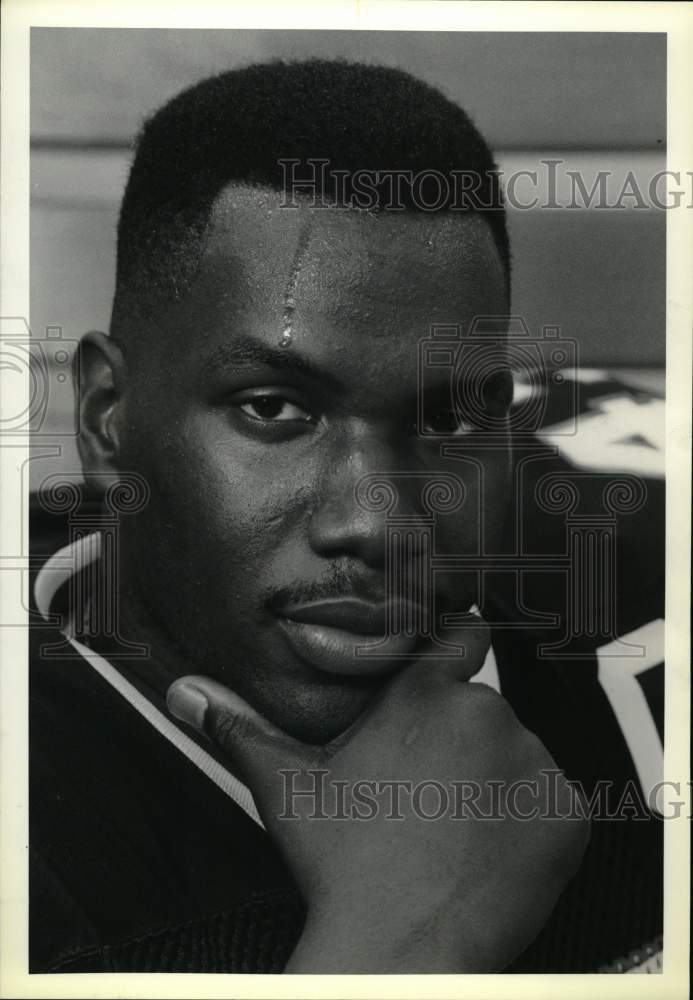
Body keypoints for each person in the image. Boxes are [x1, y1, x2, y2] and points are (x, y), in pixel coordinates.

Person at [29, 58, 662, 974]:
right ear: (105, 419)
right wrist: (407, 940)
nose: (379, 525)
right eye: (274, 409)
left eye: (446, 419)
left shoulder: (633, 633)